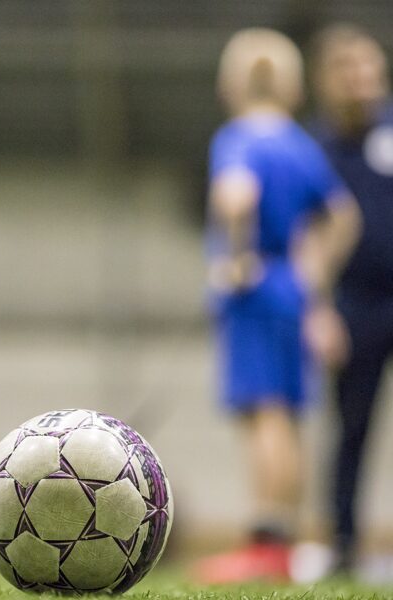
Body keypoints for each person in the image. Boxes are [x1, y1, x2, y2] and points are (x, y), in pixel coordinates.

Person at [192, 28, 360, 583]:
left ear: (230, 85)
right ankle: (283, 543)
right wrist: (314, 280)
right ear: (292, 87)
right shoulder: (300, 143)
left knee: (263, 413)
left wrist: (237, 256)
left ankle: (266, 543)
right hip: (291, 291)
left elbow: (236, 194)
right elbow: (343, 218)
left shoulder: (238, 138)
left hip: (254, 290)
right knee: (287, 416)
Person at [310, 25, 393, 573]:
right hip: (354, 305)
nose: (360, 79)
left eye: (368, 66)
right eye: (347, 69)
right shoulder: (315, 149)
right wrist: (319, 310)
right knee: (352, 425)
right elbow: (308, 236)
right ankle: (342, 539)